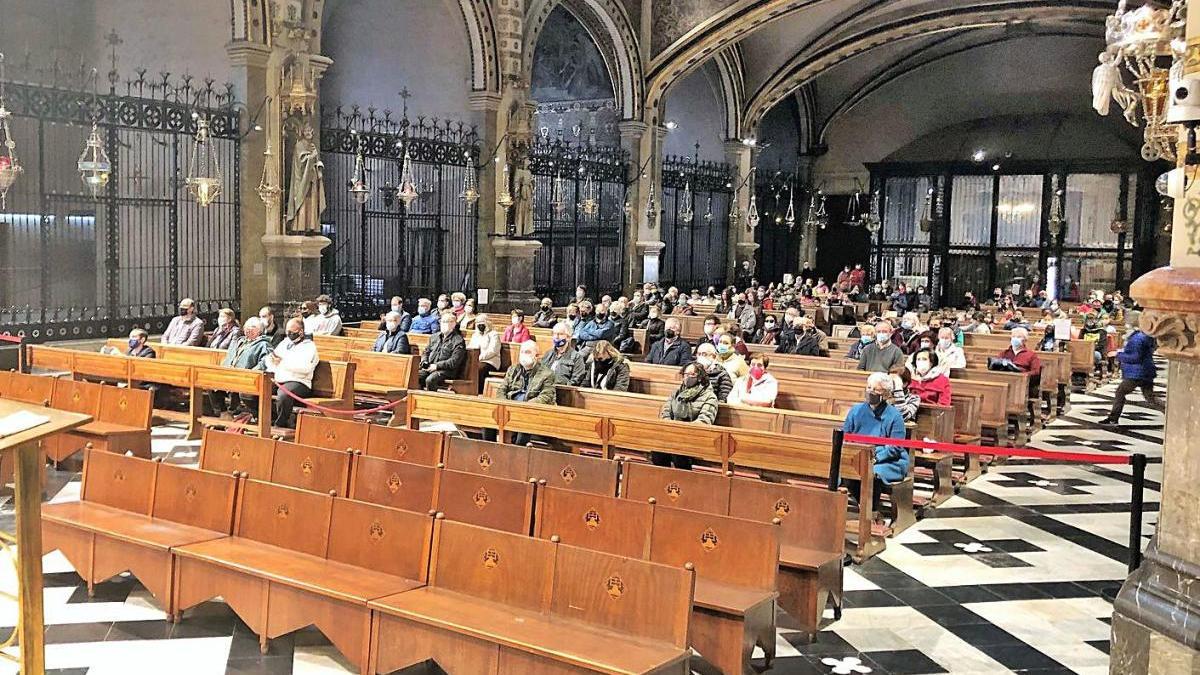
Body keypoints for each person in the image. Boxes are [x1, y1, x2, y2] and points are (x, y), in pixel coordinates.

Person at [843, 372, 909, 498]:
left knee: (870, 473)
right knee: (845, 470)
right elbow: (846, 437)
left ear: (885, 394)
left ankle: (871, 511)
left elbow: (894, 448)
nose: (870, 392)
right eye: (868, 387)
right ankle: (861, 508)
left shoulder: (895, 416)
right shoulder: (856, 410)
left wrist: (873, 458)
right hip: (857, 456)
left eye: (875, 389)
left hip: (887, 461)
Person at [1101, 312, 1164, 425]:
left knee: (1120, 392)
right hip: (1145, 371)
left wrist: (1117, 355)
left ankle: (1113, 418)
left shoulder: (1137, 339)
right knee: (1150, 397)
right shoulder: (1142, 336)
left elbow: (1135, 357)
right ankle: (1168, 412)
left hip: (1137, 372)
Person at [652, 362, 718, 469]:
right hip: (672, 435)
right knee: (657, 451)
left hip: (694, 438)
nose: (687, 378)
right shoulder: (677, 393)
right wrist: (671, 428)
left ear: (700, 377)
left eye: (691, 375)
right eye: (685, 374)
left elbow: (705, 421)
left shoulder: (710, 397)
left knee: (679, 452)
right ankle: (663, 480)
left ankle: (683, 483)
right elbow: (666, 412)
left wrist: (682, 433)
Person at [497, 340, 558, 446]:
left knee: (524, 423)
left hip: (532, 411)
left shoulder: (547, 374)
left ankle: (517, 454)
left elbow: (546, 396)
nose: (524, 355)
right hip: (510, 408)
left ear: (537, 355)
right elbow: (501, 390)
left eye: (528, 352)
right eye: (522, 352)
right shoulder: (513, 369)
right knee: (488, 423)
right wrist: (505, 405)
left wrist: (525, 407)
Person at [210, 318, 273, 416]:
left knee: (241, 390)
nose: (249, 329)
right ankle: (223, 413)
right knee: (211, 384)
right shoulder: (239, 341)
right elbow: (229, 358)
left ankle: (236, 413)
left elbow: (265, 362)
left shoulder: (264, 344)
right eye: (247, 326)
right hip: (231, 375)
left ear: (260, 331)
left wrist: (251, 373)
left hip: (248, 378)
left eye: (253, 327)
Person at [265, 317, 318, 429]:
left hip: (299, 381)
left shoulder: (309, 347)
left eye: (292, 332)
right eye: (287, 331)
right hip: (279, 377)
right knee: (258, 389)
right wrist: (272, 361)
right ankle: (268, 419)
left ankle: (280, 424)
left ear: (301, 331)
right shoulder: (285, 343)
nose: (289, 334)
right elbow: (273, 357)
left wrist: (282, 363)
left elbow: (305, 368)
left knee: (284, 395)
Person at [418, 312, 467, 391]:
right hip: (430, 367)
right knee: (415, 376)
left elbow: (454, 362)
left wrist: (436, 366)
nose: (444, 324)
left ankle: (431, 401)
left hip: (446, 370)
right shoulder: (434, 337)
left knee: (430, 380)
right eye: (442, 321)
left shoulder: (458, 341)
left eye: (447, 322)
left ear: (454, 324)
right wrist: (424, 362)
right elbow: (426, 352)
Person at [542, 321, 586, 385]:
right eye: (554, 334)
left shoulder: (577, 357)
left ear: (568, 337)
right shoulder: (548, 354)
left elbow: (576, 380)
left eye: (560, 334)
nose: (556, 337)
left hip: (562, 391)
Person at [468, 313, 502, 387]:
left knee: (479, 368)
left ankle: (478, 389)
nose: (480, 325)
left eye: (482, 323)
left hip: (490, 361)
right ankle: (469, 387)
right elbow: (470, 347)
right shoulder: (475, 335)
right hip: (476, 360)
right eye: (478, 323)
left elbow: (493, 350)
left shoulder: (494, 334)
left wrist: (479, 358)